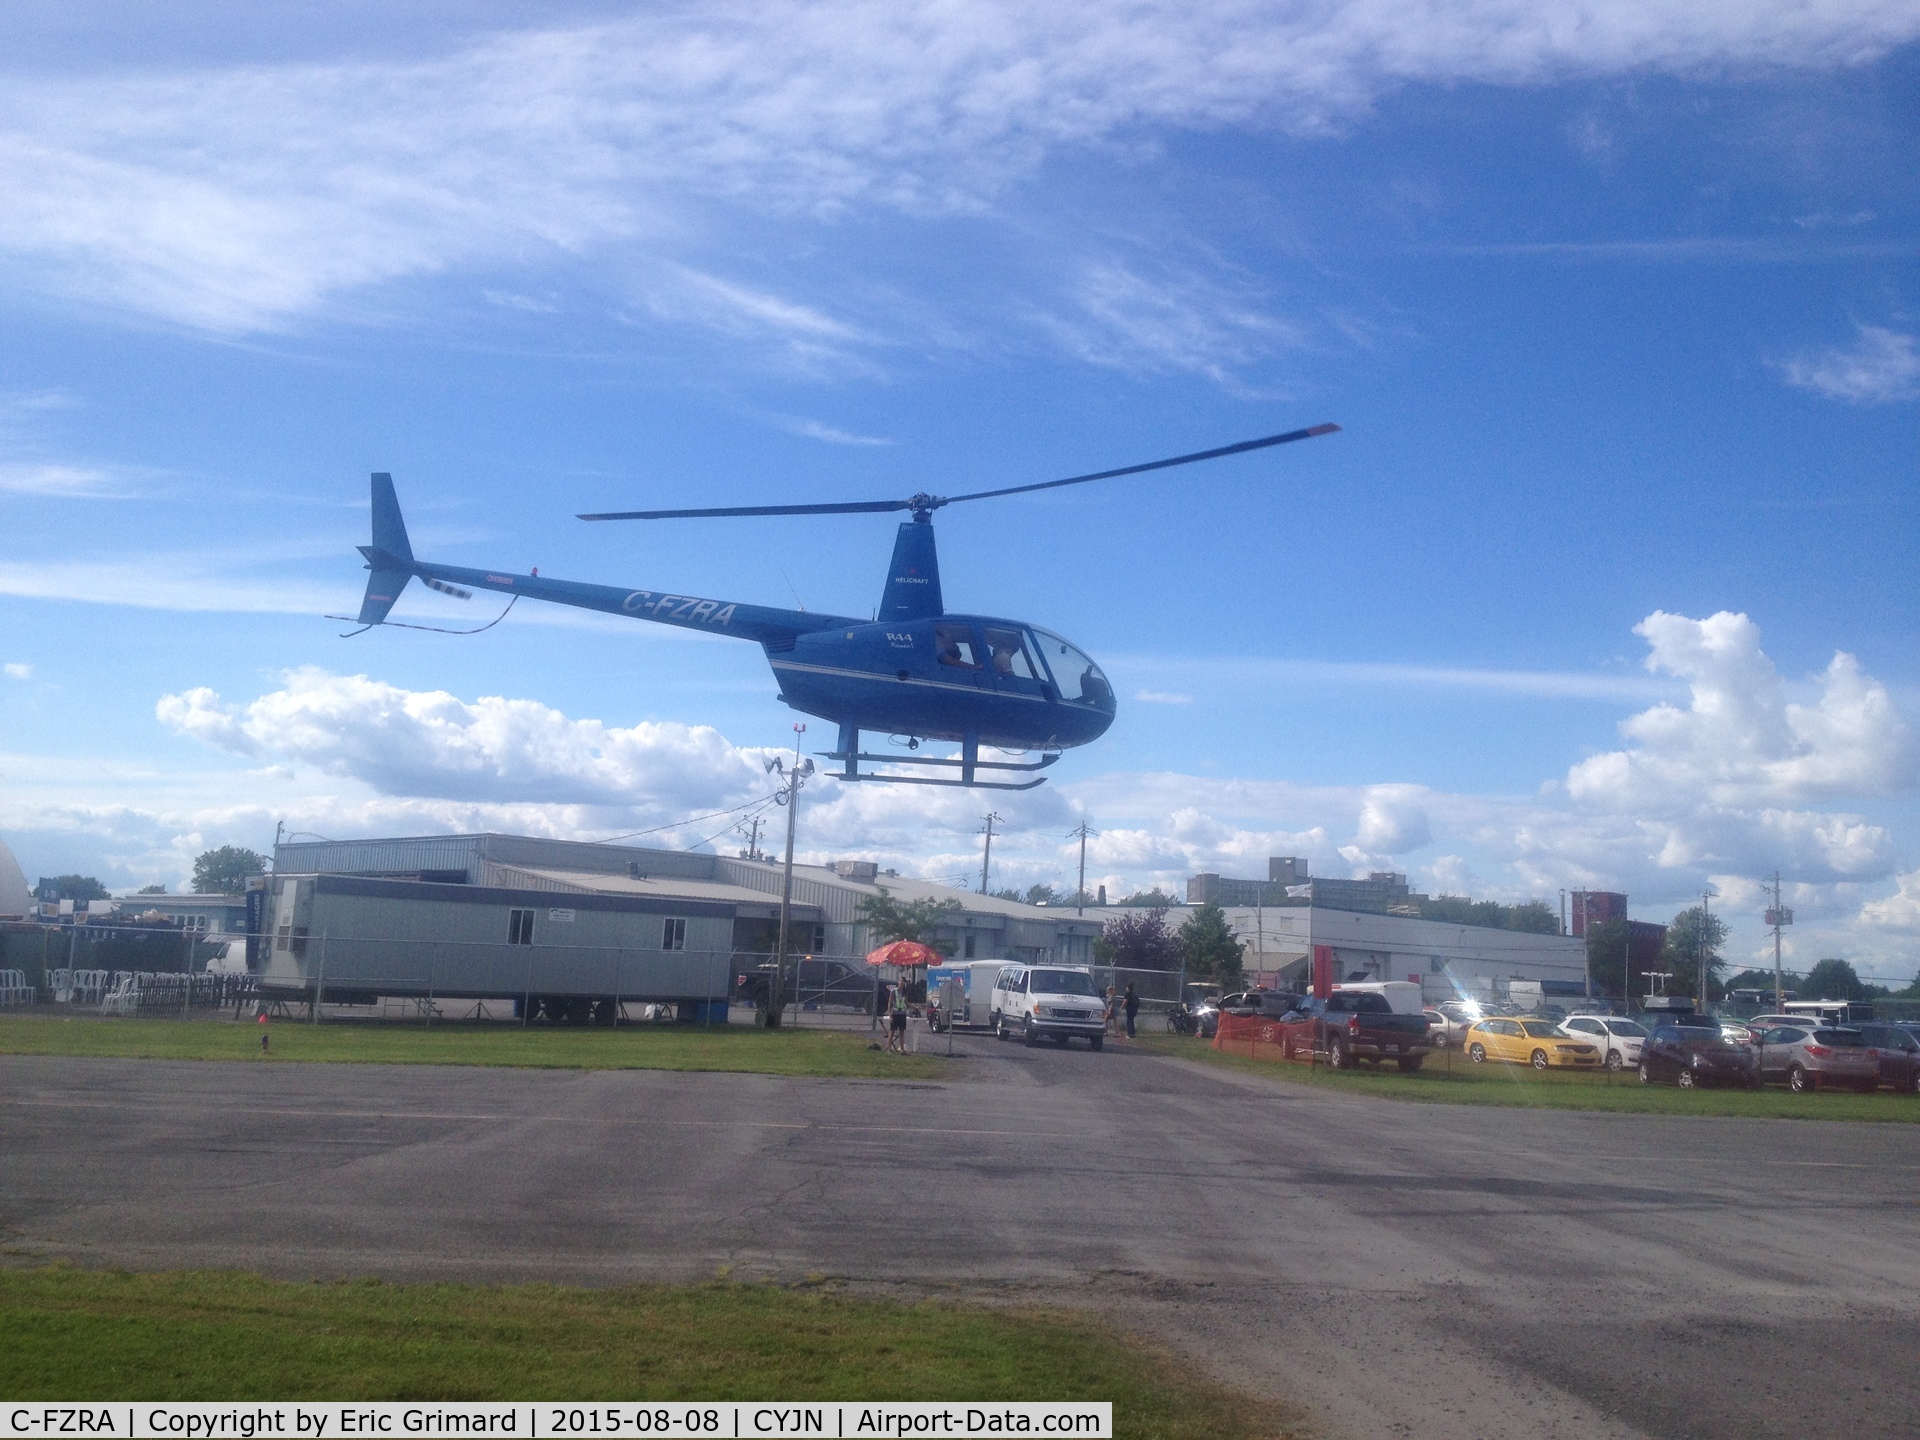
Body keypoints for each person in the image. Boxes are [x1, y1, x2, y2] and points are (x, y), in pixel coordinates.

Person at [887, 981, 909, 1054]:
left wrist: (915, 1007)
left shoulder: (904, 992)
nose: (901, 984)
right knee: (892, 1031)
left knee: (902, 1032)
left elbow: (906, 1003)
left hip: (902, 1014)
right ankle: (889, 1050)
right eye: (900, 982)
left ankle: (902, 1049)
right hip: (895, 1014)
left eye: (903, 982)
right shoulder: (894, 991)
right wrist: (890, 1015)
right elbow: (890, 1003)